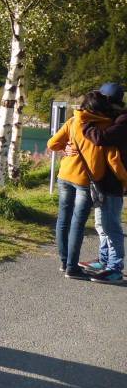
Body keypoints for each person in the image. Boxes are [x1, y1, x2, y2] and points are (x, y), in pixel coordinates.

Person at [48, 91, 126, 281]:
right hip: (84, 181)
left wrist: (65, 148)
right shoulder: (104, 127)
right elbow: (113, 160)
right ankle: (72, 269)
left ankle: (64, 262)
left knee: (63, 219)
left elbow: (52, 143)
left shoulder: (74, 121)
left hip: (64, 176)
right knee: (77, 223)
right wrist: (124, 181)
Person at [80, 82, 127, 285]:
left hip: (114, 182)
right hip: (103, 180)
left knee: (112, 225)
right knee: (101, 223)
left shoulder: (123, 120)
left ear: (107, 100)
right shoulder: (110, 117)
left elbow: (101, 138)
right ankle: (104, 259)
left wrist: (85, 124)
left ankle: (115, 268)